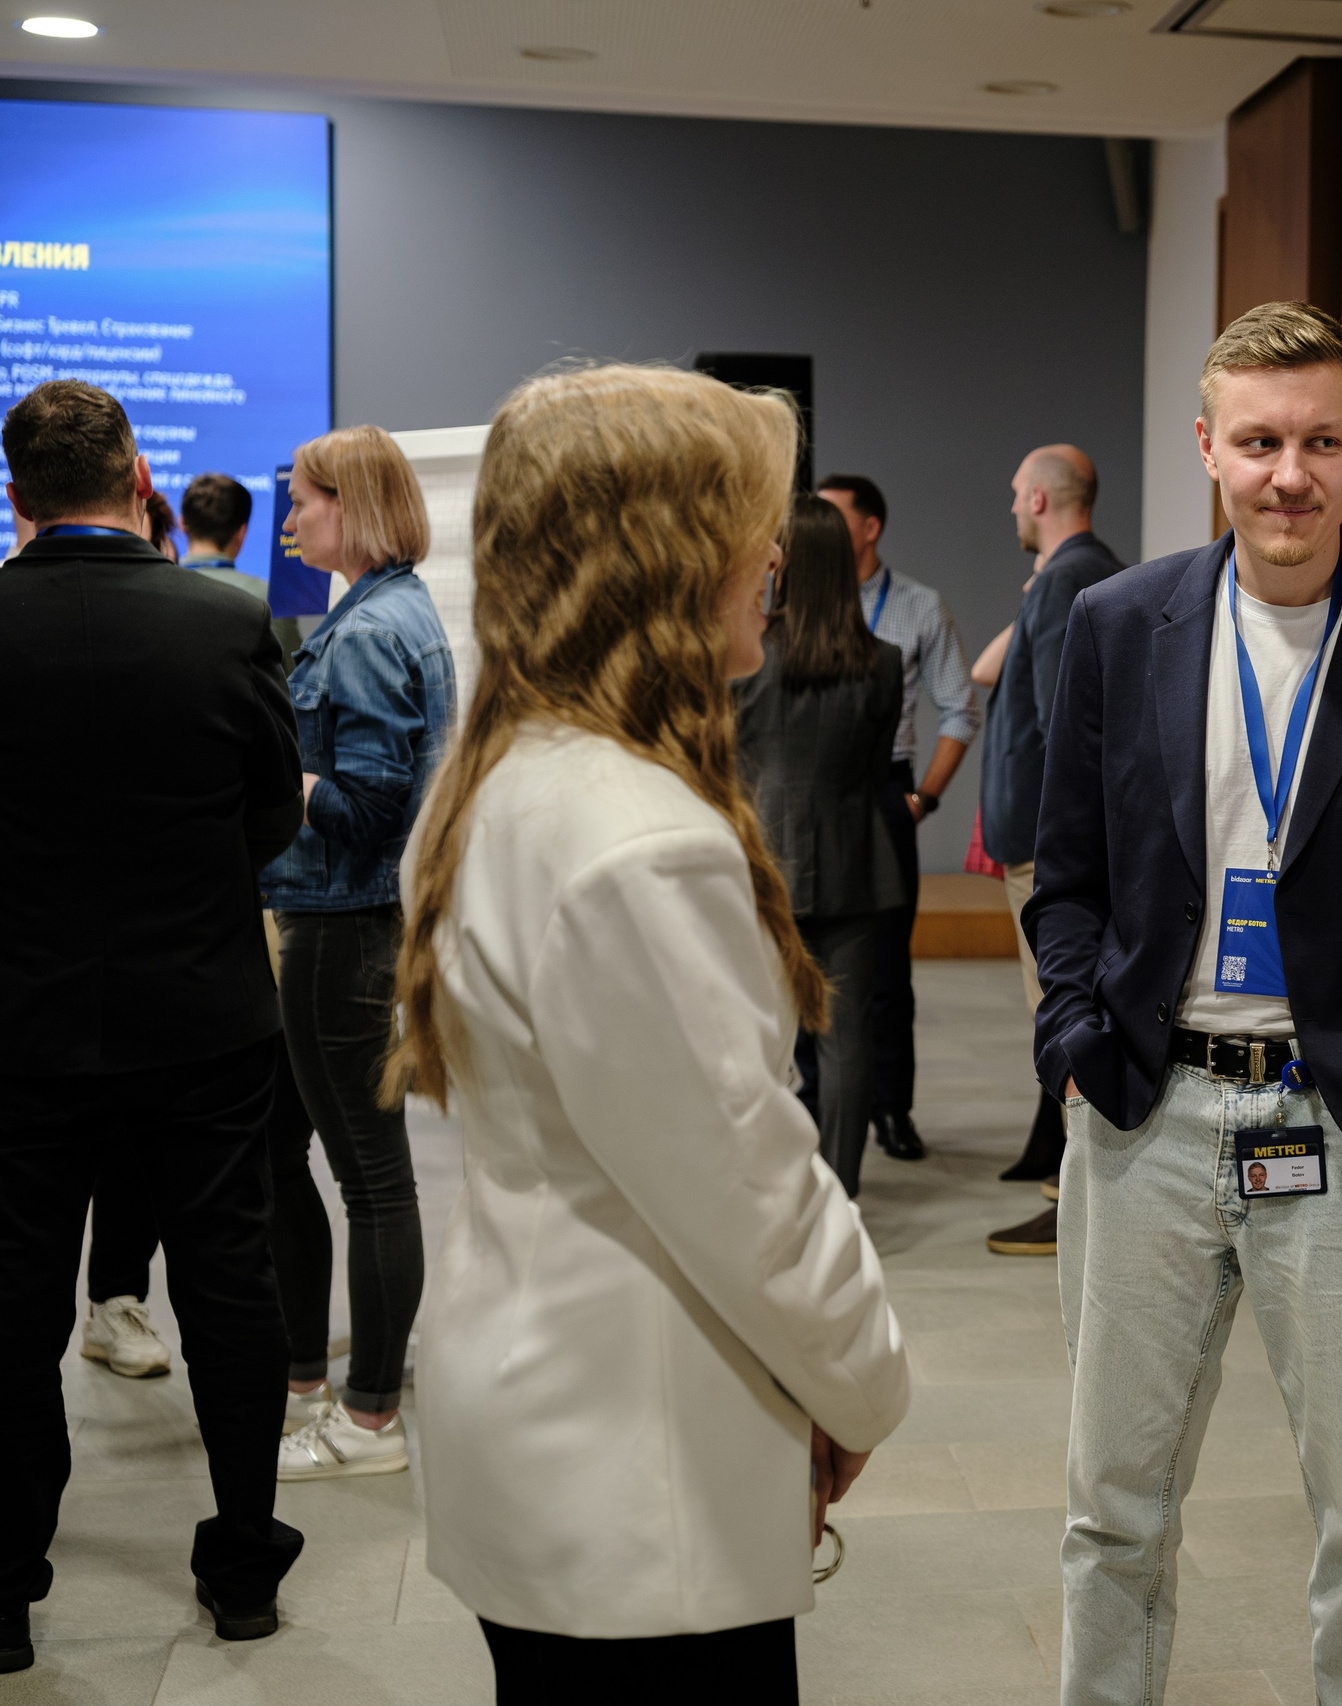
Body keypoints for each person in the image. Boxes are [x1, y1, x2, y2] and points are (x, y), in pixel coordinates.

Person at [1022, 301, 1342, 1703]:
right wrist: (1074, 1033)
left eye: (1320, 441)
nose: (1289, 475)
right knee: (1111, 1508)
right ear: (1208, 446)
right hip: (1147, 1112)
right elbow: (1068, 874)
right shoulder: (1120, 625)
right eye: (1258, 442)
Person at [390, 364, 907, 1698]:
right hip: (634, 1449)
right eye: (750, 533)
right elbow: (750, 1189)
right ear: (667, 559)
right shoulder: (637, 839)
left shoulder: (505, 772)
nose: (771, 568)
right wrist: (861, 1383)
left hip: (553, 1401)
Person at [0, 379, 306, 1670]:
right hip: (204, 1013)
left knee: (13, 1304)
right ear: (138, 476)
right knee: (231, 1286)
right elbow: (273, 817)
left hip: (18, 1024)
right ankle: (242, 1571)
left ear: (16, 493)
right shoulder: (226, 622)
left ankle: (5, 1589)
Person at [261, 426, 455, 1481]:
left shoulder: (374, 629)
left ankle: (370, 1419)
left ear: (355, 503)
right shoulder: (384, 611)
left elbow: (370, 806)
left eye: (304, 499)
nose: (291, 518)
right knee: (350, 1168)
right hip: (349, 918)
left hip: (345, 922)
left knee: (373, 1179)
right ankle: (340, 1393)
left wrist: (274, 777)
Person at [735, 494, 907, 1195]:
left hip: (759, 868)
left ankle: (759, 1189)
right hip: (856, 867)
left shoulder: (745, 658)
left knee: (754, 1037)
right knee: (847, 1043)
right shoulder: (883, 662)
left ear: (783, 565)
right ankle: (841, 1193)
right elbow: (874, 769)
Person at [980, 444, 1125, 1257]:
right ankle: (1073, 1189)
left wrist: (1059, 853)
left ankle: (1079, 1206)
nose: (1010, 506)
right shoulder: (1074, 574)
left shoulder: (1071, 579)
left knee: (1064, 1016)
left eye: (1015, 493)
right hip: (1043, 845)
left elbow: (1058, 733)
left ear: (1039, 499)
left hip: (1049, 853)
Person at [814, 473, 981, 1165]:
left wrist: (924, 798)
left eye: (830, 515)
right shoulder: (796, 600)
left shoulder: (917, 606)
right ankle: (814, 1106)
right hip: (813, 791)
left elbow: (960, 708)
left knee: (885, 965)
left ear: (869, 527)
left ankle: (890, 1107)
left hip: (885, 787)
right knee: (808, 959)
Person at [182, 470, 303, 657]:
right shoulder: (268, 600)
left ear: (182, 523)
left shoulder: (151, 589)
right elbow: (292, 671)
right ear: (241, 532)